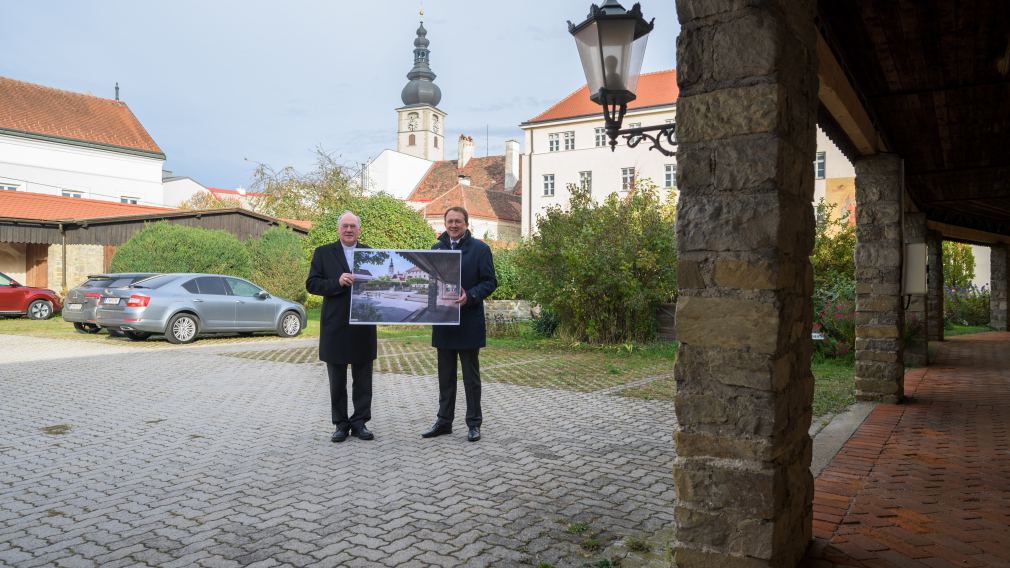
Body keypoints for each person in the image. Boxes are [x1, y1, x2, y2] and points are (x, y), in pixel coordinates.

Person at [421, 207, 497, 442]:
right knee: (445, 377)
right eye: (450, 221)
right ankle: (444, 422)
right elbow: (428, 282)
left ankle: (474, 424)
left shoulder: (480, 249)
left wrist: (470, 296)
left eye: (458, 221)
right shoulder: (436, 249)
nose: (453, 225)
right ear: (444, 224)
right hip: (443, 323)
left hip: (468, 322)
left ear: (466, 223)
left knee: (471, 379)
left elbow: (490, 282)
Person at [306, 211, 378, 442]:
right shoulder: (323, 253)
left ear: (359, 230)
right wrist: (336, 282)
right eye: (345, 226)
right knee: (337, 381)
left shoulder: (371, 254)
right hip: (335, 326)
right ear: (339, 229)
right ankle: (340, 424)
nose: (349, 230)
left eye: (353, 226)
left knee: (363, 380)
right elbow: (312, 284)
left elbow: (381, 284)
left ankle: (360, 423)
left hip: (363, 325)